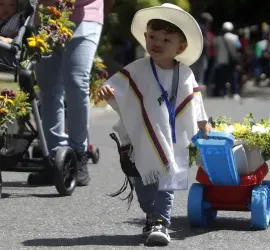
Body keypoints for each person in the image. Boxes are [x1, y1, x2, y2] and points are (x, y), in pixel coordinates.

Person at [98, 3, 210, 245]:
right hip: (142, 138)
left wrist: (203, 123)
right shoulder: (137, 69)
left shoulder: (185, 74)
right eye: (152, 37)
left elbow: (194, 101)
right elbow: (119, 90)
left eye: (166, 40)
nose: (156, 43)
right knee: (143, 182)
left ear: (181, 46)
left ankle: (161, 222)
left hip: (172, 137)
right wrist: (109, 93)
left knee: (165, 180)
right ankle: (150, 213)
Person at [27, 0, 114, 186]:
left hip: (85, 15)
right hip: (46, 15)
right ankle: (54, 157)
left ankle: (78, 154)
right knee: (48, 87)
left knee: (76, 81)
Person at [214, 21, 242, 101]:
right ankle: (235, 93)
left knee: (223, 77)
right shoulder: (235, 37)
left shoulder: (218, 39)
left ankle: (224, 93)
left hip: (221, 60)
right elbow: (239, 47)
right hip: (231, 60)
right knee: (233, 76)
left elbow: (215, 47)